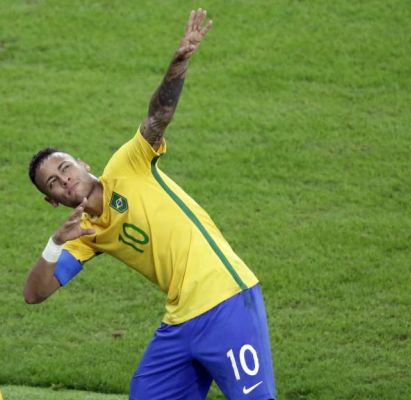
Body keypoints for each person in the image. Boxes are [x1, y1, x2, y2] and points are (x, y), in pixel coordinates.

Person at [23, 8, 276, 400]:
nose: (64, 179)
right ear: (52, 200)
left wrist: (178, 64)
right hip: (181, 320)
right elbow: (34, 294)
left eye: (65, 167)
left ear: (83, 164)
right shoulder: (83, 236)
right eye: (53, 183)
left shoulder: (129, 164)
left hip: (226, 300)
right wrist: (55, 243)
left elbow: (159, 115)